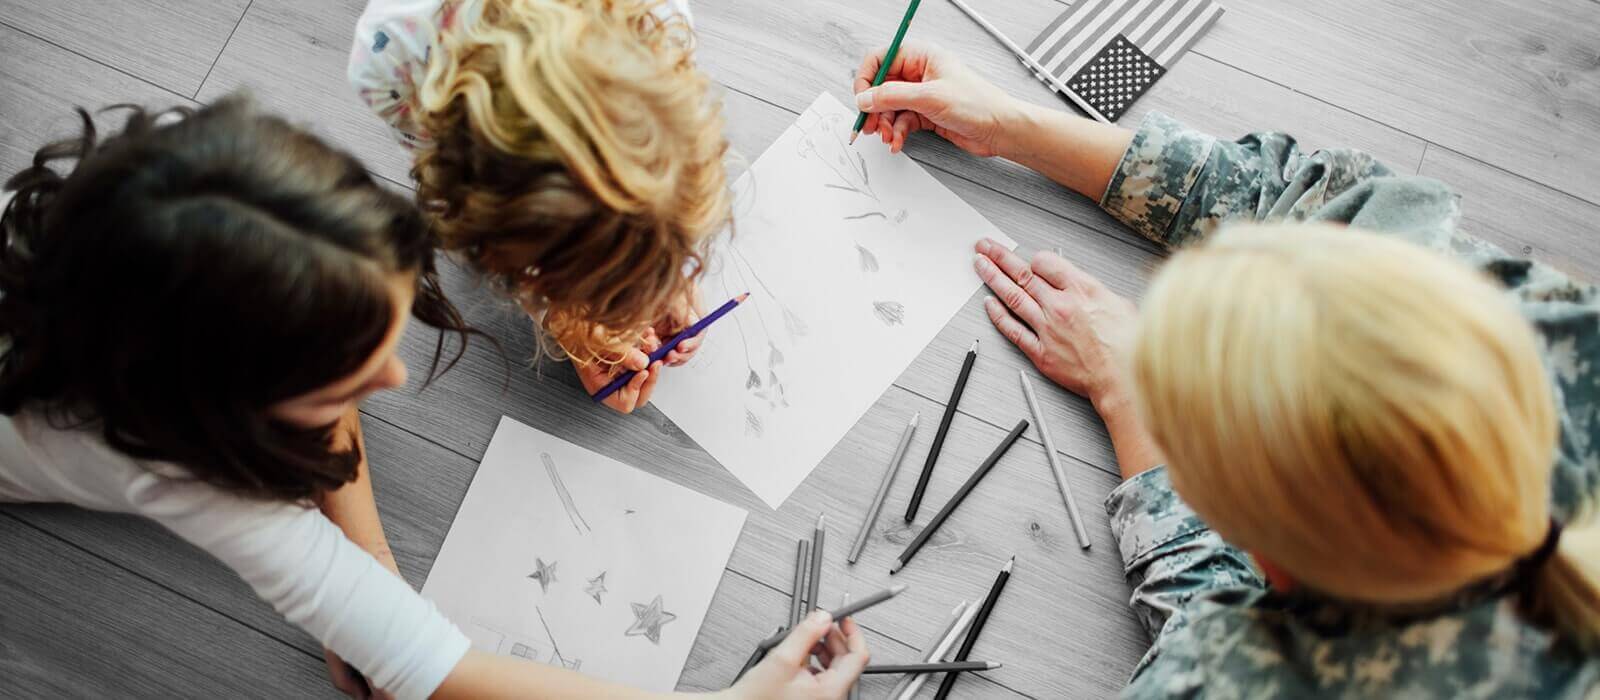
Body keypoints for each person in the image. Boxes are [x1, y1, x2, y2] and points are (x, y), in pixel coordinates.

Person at [0, 99, 867, 700]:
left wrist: (368, 565)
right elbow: (436, 674)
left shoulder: (203, 210)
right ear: (233, 418)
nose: (398, 380)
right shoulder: (185, 476)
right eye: (345, 379)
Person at [851, 43, 1600, 695]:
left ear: (1262, 555)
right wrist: (1009, 124)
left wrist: (1129, 398)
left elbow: (1201, 630)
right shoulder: (1553, 331)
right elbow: (1288, 204)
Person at [348, 0, 729, 414]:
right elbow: (455, 200)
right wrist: (560, 316)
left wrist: (659, 270)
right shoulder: (390, 61)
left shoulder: (659, 22)